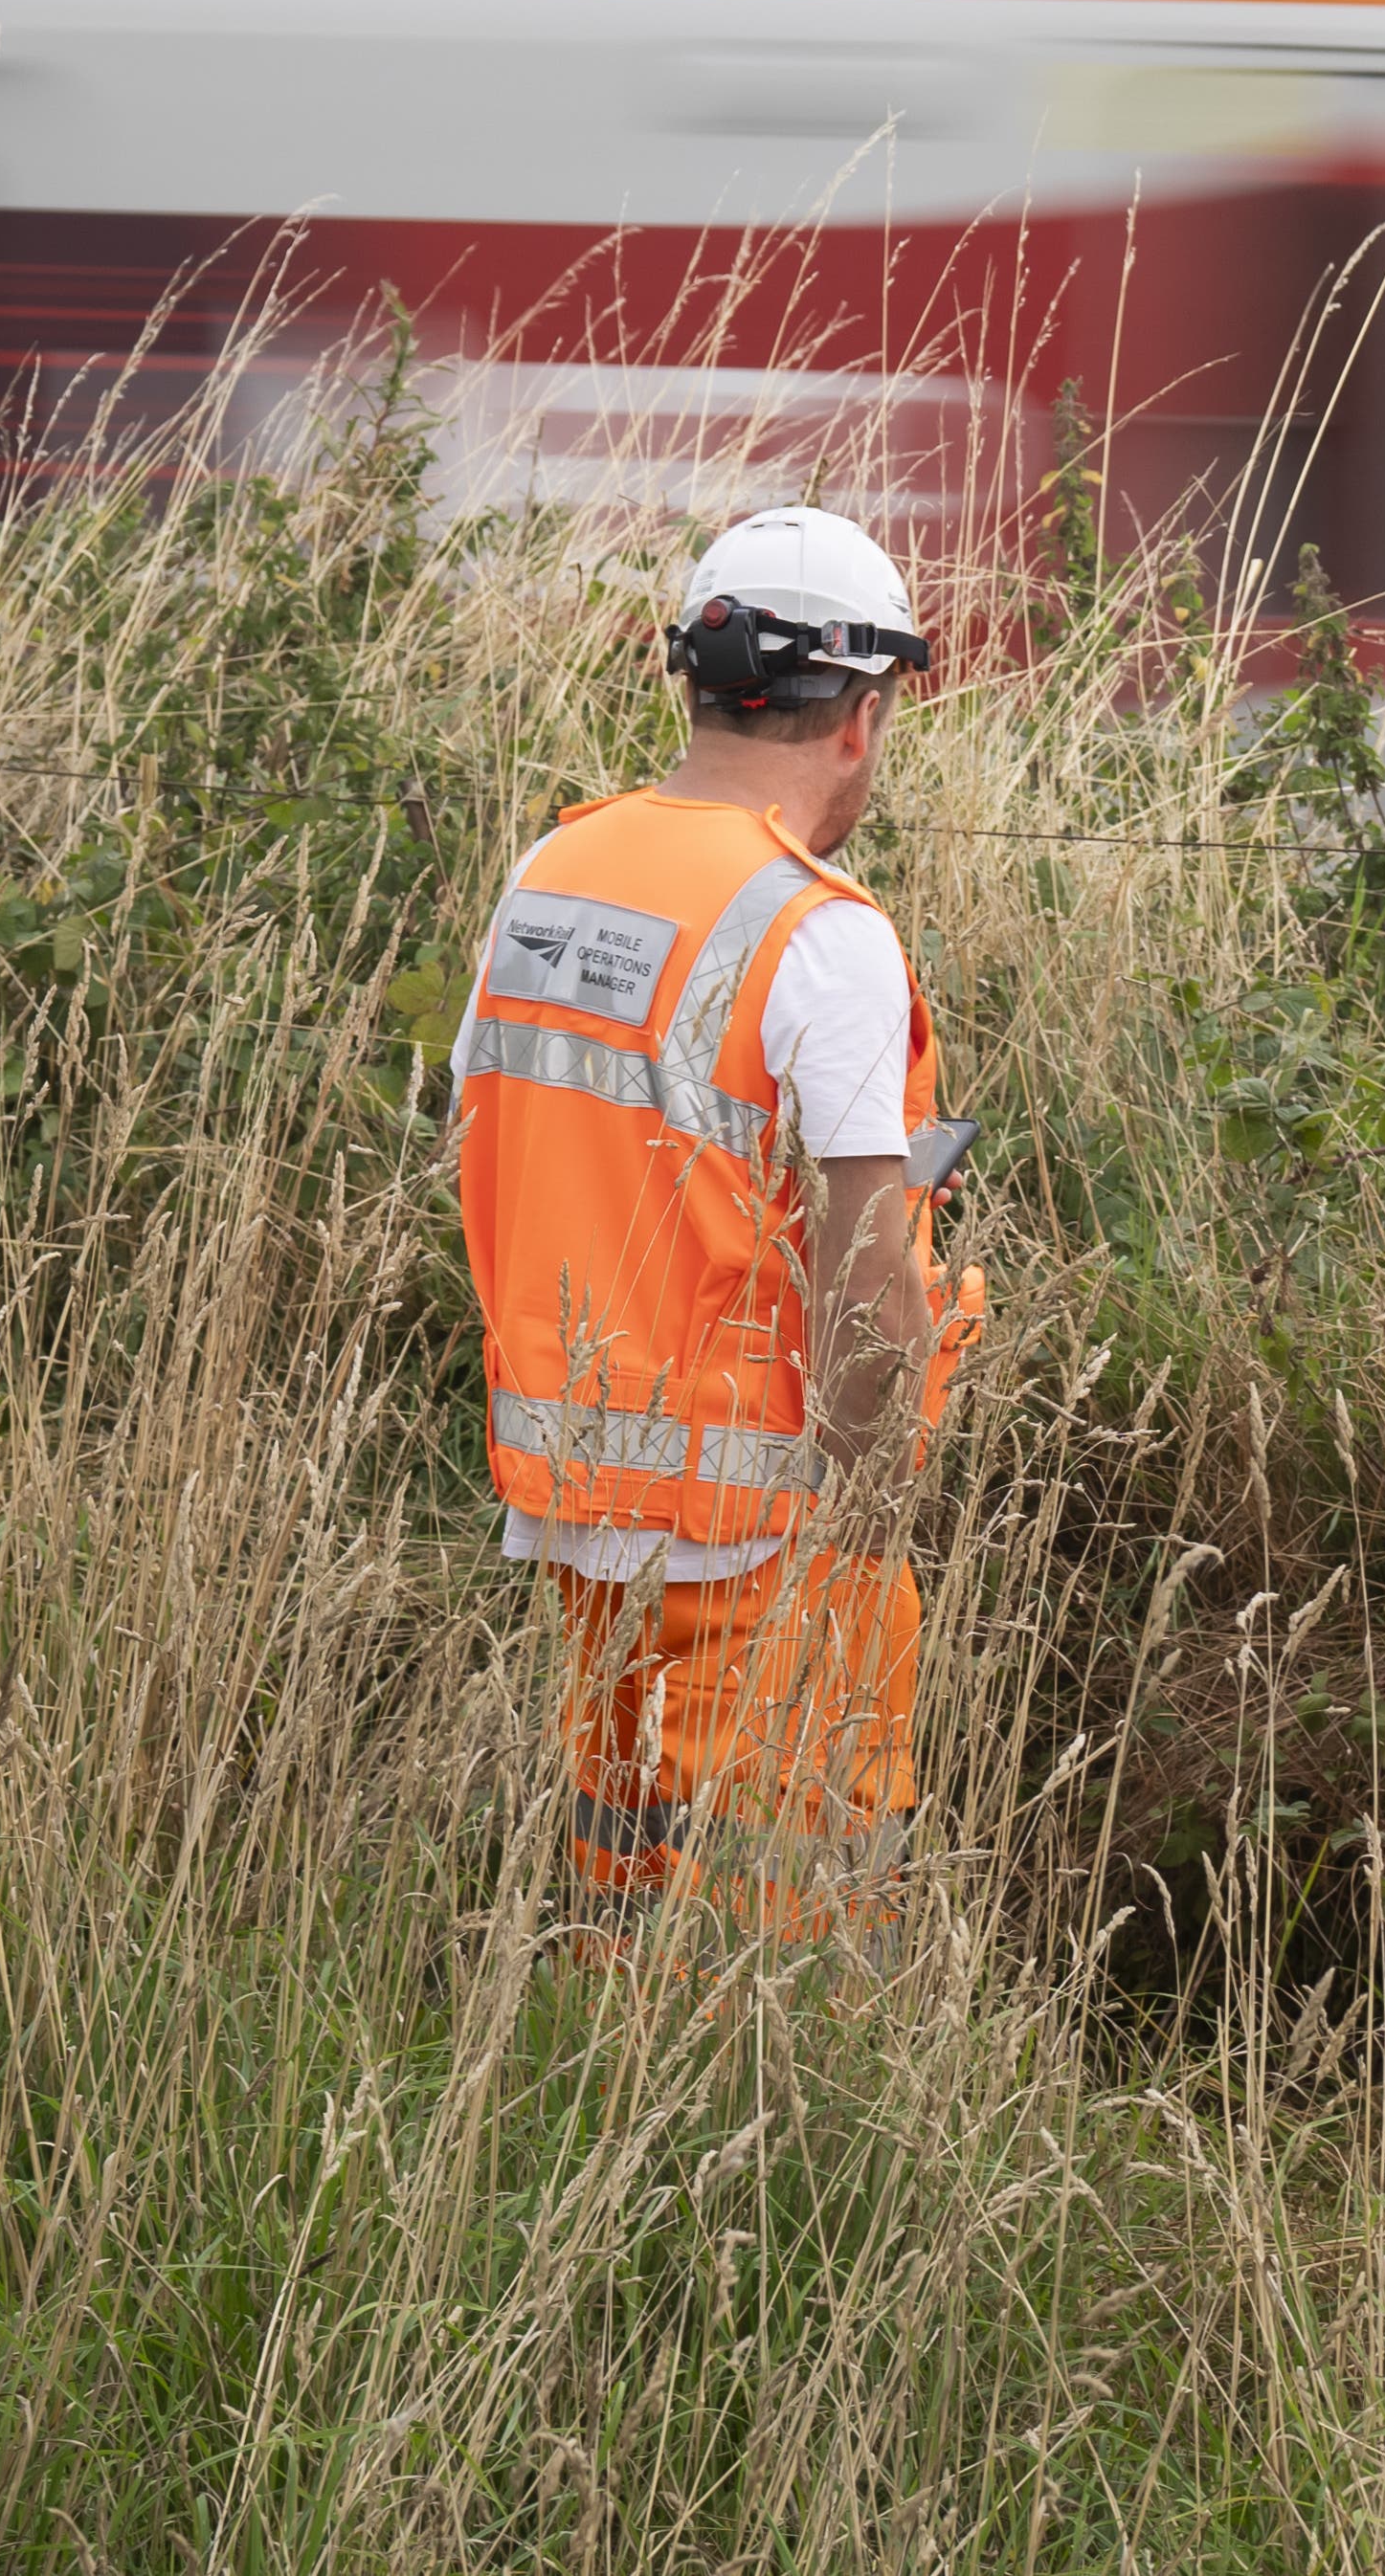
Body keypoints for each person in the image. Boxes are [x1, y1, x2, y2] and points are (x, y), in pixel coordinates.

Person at [457, 503, 969, 1951]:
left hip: (568, 1496)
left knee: (618, 1888)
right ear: (862, 718)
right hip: (761, 1520)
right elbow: (868, 1273)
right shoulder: (823, 932)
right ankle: (760, 2175)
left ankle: (596, 2121)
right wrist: (878, 1495)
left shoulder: (547, 878)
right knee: (778, 1953)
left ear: (693, 676)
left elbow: (495, 1144)